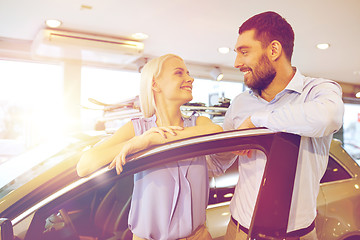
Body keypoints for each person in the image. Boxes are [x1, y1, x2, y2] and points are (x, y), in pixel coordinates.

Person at [213, 11, 344, 240]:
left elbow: (329, 117)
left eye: (244, 52)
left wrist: (256, 120)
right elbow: (218, 162)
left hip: (298, 235)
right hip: (238, 232)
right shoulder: (240, 103)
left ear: (274, 50)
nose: (236, 63)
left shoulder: (317, 92)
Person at [77, 53, 222, 240]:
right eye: (179, 73)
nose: (190, 78)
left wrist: (153, 141)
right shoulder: (137, 128)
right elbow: (85, 165)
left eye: (188, 73)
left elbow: (216, 132)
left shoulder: (200, 123)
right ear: (155, 84)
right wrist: (133, 143)